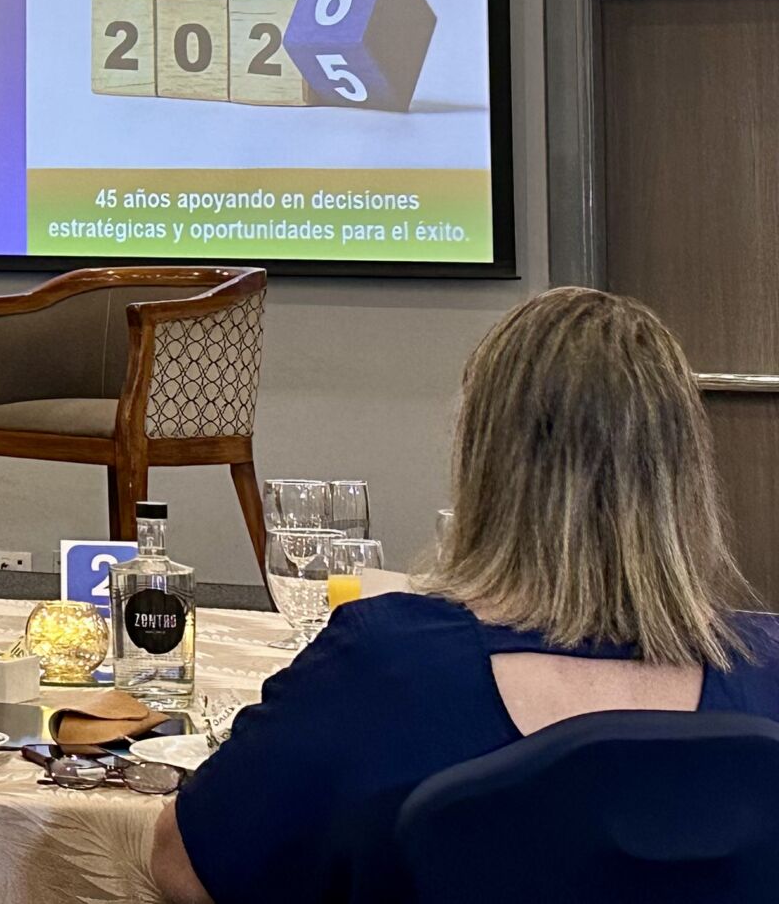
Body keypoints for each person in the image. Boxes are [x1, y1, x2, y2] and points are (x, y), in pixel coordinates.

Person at [152, 286, 779, 904]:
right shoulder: (766, 671)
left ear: (482, 462)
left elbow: (186, 867)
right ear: (686, 469)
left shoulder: (382, 665)